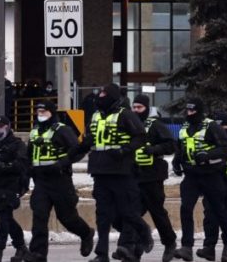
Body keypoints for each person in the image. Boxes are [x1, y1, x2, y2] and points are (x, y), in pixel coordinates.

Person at [79, 83, 153, 262]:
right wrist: (68, 158)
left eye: (104, 93)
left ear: (112, 96)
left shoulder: (125, 114)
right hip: (100, 172)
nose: (100, 96)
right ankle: (101, 254)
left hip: (121, 172)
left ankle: (144, 231)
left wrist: (124, 151)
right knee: (103, 217)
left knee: (127, 212)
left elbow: (141, 136)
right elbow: (89, 140)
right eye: (100, 93)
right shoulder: (96, 116)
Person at [24, 101, 94, 262]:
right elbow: (29, 155)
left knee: (67, 218)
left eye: (44, 112)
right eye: (38, 112)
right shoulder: (35, 131)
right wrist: (28, 170)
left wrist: (62, 164)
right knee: (39, 216)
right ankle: (38, 253)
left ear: (51, 113)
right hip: (41, 181)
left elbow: (77, 151)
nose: (40, 114)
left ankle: (86, 233)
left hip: (60, 180)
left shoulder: (62, 130)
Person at [173, 98, 227, 262]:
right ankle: (187, 246)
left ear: (199, 111)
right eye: (187, 111)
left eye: (193, 111)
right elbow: (181, 147)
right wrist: (176, 161)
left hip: (211, 175)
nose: (189, 114)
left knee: (219, 210)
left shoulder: (211, 126)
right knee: (186, 208)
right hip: (191, 176)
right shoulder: (185, 127)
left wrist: (208, 155)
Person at [132, 93, 179, 262]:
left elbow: (171, 145)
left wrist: (153, 149)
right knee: (132, 214)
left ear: (146, 108)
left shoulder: (155, 125)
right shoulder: (130, 124)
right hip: (134, 176)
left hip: (152, 176)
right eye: (134, 107)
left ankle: (170, 242)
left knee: (157, 212)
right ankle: (135, 248)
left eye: (140, 108)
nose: (136, 111)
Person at [0, 116, 29, 262]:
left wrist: (6, 165)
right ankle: (21, 248)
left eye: (1, 126)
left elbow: (22, 165)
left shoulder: (16, 144)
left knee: (3, 215)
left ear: (8, 127)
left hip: (11, 185)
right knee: (5, 217)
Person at [200, 112, 227, 262]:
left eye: (224, 126)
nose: (221, 129)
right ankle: (209, 247)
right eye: (218, 126)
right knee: (210, 216)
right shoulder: (212, 144)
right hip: (213, 181)